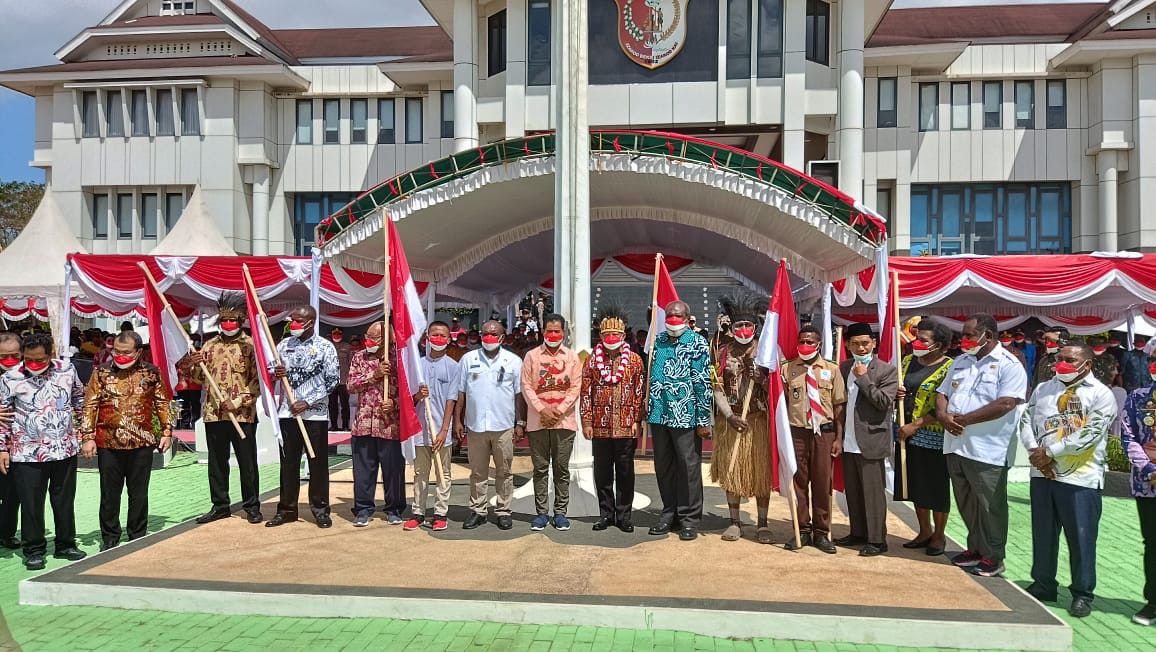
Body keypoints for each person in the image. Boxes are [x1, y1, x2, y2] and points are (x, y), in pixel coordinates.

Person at [1017, 341, 1116, 618]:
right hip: (1042, 473)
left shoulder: (1101, 394)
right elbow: (1026, 421)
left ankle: (1082, 593)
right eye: (1059, 358)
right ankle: (1044, 583)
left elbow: (1090, 434)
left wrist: (1050, 454)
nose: (1061, 363)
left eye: (1070, 360)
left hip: (1080, 479)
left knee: (1081, 539)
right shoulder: (1044, 388)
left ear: (1087, 364)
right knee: (1043, 533)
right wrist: (1036, 454)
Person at [936, 313, 1028, 578]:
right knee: (966, 502)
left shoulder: (1009, 364)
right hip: (956, 444)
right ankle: (975, 548)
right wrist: (943, 416)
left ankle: (994, 556)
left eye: (969, 335)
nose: (964, 340)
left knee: (990, 506)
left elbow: (1006, 403)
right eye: (963, 335)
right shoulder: (961, 361)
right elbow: (943, 393)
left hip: (988, 449)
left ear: (988, 335)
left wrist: (965, 419)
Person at [80, 331, 173, 551]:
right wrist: (87, 437)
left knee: (138, 492)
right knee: (109, 493)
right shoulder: (101, 373)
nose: (120, 356)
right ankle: (110, 537)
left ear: (139, 351)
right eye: (116, 351)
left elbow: (162, 402)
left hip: (141, 442)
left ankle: (137, 535)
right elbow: (90, 405)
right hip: (108, 443)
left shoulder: (152, 373)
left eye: (126, 352)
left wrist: (167, 431)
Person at [0, 333, 86, 570]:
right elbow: (3, 417)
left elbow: (80, 400)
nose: (33, 364)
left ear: (51, 354)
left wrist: (86, 434)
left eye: (39, 359)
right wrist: (2, 449)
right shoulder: (11, 377)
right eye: (28, 359)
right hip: (27, 452)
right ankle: (34, 550)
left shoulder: (66, 371)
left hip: (64, 449)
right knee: (31, 504)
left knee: (64, 501)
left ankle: (66, 544)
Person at [187, 292, 262, 525]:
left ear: (240, 322)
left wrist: (238, 401)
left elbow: (258, 382)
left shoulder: (251, 346)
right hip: (214, 413)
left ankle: (251, 506)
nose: (228, 325)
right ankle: (220, 505)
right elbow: (200, 378)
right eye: (224, 321)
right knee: (217, 463)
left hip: (243, 416)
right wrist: (195, 364)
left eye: (232, 321)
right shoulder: (209, 345)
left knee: (247, 463)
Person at [710, 293, 775, 544]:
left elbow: (778, 389)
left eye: (748, 326)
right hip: (731, 422)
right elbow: (716, 387)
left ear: (755, 327)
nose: (744, 330)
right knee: (732, 470)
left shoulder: (765, 351)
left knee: (760, 473)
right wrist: (728, 415)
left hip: (758, 420)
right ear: (732, 327)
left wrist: (761, 379)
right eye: (739, 326)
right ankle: (734, 522)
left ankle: (762, 523)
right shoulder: (722, 352)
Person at [268, 306, 340, 529]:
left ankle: (320, 509)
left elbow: (333, 379)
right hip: (287, 414)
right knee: (288, 463)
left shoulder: (325, 347)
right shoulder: (283, 345)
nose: (294, 325)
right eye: (293, 321)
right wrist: (274, 373)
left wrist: (308, 402)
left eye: (299, 321)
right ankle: (287, 509)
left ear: (311, 322)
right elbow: (270, 370)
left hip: (314, 416)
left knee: (317, 464)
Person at [646, 300, 712, 541]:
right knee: (663, 465)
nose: (673, 320)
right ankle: (669, 512)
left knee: (688, 466)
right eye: (670, 316)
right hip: (659, 414)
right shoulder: (659, 341)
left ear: (687, 317)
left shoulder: (697, 343)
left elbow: (703, 382)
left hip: (685, 414)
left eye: (678, 316)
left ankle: (689, 517)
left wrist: (703, 419)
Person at [454, 320, 525, 530]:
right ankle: (478, 510)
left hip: (503, 425)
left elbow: (519, 395)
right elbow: (461, 392)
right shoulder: (468, 359)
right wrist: (458, 420)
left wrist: (520, 422)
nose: (488, 337)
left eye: (493, 334)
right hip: (476, 426)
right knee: (477, 472)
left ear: (502, 337)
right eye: (485, 333)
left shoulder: (513, 361)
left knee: (504, 471)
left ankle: (503, 510)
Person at [836, 323, 899, 557]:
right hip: (848, 440)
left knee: (873, 493)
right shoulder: (843, 368)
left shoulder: (886, 370)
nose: (861, 348)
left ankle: (877, 539)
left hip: (871, 440)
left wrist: (863, 379)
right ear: (847, 344)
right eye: (855, 344)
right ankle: (858, 532)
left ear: (873, 343)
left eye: (865, 343)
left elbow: (883, 402)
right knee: (853, 492)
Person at [581, 309, 646, 533]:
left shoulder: (635, 361)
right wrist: (587, 422)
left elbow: (639, 393)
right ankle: (605, 514)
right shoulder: (591, 361)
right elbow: (585, 393)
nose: (611, 339)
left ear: (623, 335)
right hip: (599, 427)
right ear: (600, 336)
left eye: (615, 334)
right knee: (603, 472)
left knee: (626, 472)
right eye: (606, 334)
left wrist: (638, 419)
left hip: (627, 426)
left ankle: (624, 516)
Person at [783, 325, 846, 553]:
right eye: (802, 341)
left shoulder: (831, 369)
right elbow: (780, 403)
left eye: (810, 341)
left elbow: (839, 405)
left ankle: (821, 532)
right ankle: (802, 530)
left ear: (819, 344)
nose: (805, 345)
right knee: (798, 483)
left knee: (822, 483)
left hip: (824, 433)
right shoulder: (788, 369)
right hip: (798, 432)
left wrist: (838, 438)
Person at [894, 320, 954, 557]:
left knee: (936, 487)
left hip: (933, 435)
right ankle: (923, 530)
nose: (917, 343)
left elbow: (947, 404)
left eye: (924, 340)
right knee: (916, 485)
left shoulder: (950, 368)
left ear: (938, 345)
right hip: (906, 433)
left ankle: (939, 535)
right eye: (916, 338)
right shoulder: (907, 361)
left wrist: (916, 425)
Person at [521, 314, 582, 532]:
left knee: (561, 469)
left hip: (564, 423)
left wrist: (558, 411)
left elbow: (576, 388)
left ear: (564, 333)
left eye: (557, 331)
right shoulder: (531, 356)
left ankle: (560, 513)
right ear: (543, 331)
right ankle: (541, 513)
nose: (553, 335)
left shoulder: (573, 358)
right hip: (538, 423)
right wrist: (542, 410)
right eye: (549, 330)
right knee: (540, 469)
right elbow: (526, 386)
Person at [346, 320, 409, 526]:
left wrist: (394, 403)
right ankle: (363, 509)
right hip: (363, 424)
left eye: (374, 337)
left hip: (389, 426)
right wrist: (374, 375)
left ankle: (394, 508)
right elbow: (351, 385)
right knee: (363, 471)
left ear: (386, 339)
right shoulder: (359, 357)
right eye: (368, 336)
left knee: (393, 471)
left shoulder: (399, 358)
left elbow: (409, 394)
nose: (369, 341)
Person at [406, 321, 461, 532]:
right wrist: (419, 396)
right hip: (420, 429)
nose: (438, 338)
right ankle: (418, 512)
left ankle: (440, 513)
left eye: (443, 335)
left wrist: (445, 429)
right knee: (420, 473)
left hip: (441, 430)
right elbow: (407, 401)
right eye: (434, 334)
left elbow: (452, 399)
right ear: (427, 338)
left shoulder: (453, 366)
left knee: (443, 473)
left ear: (449, 339)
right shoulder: (417, 365)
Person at [1120, 353, 1156, 626]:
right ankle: (1153, 602)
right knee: (1153, 544)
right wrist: (1149, 470)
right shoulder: (1138, 398)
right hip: (1149, 484)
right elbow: (1129, 436)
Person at [0, 334, 21, 551]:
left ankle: (6, 533)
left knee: (12, 493)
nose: (9, 360)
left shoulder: (29, 375)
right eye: (4, 356)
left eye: (14, 355)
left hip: (16, 445)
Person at [328, 327, 353, 431]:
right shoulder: (328, 346)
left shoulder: (347, 347)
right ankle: (333, 425)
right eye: (334, 334)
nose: (336, 336)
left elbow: (351, 363)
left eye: (338, 334)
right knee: (332, 404)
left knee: (345, 405)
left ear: (341, 335)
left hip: (343, 380)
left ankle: (345, 425)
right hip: (331, 381)